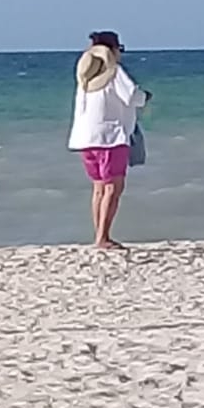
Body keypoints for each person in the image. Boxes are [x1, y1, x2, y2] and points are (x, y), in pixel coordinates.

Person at [68, 30, 150, 249]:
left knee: (98, 188)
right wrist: (146, 97)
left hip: (85, 137)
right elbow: (133, 96)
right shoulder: (114, 71)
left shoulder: (86, 75)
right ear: (112, 50)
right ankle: (102, 237)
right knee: (113, 187)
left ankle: (99, 234)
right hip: (110, 137)